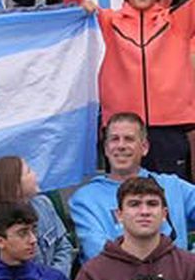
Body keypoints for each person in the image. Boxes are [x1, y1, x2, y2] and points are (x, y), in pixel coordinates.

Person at [61, 0, 195, 178]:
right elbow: (74, 11)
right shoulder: (107, 21)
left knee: (169, 195)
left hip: (170, 128)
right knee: (124, 194)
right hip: (122, 128)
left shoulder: (178, 21)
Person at [70, 113, 195, 263]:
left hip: (177, 274)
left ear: (144, 148)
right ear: (106, 148)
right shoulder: (85, 199)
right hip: (117, 276)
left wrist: (189, 264)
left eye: (129, 139)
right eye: (114, 139)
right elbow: (97, 254)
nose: (121, 146)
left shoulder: (173, 187)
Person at [0, 156, 75, 276]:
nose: (35, 174)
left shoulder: (44, 204)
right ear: (15, 185)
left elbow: (64, 246)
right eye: (28, 171)